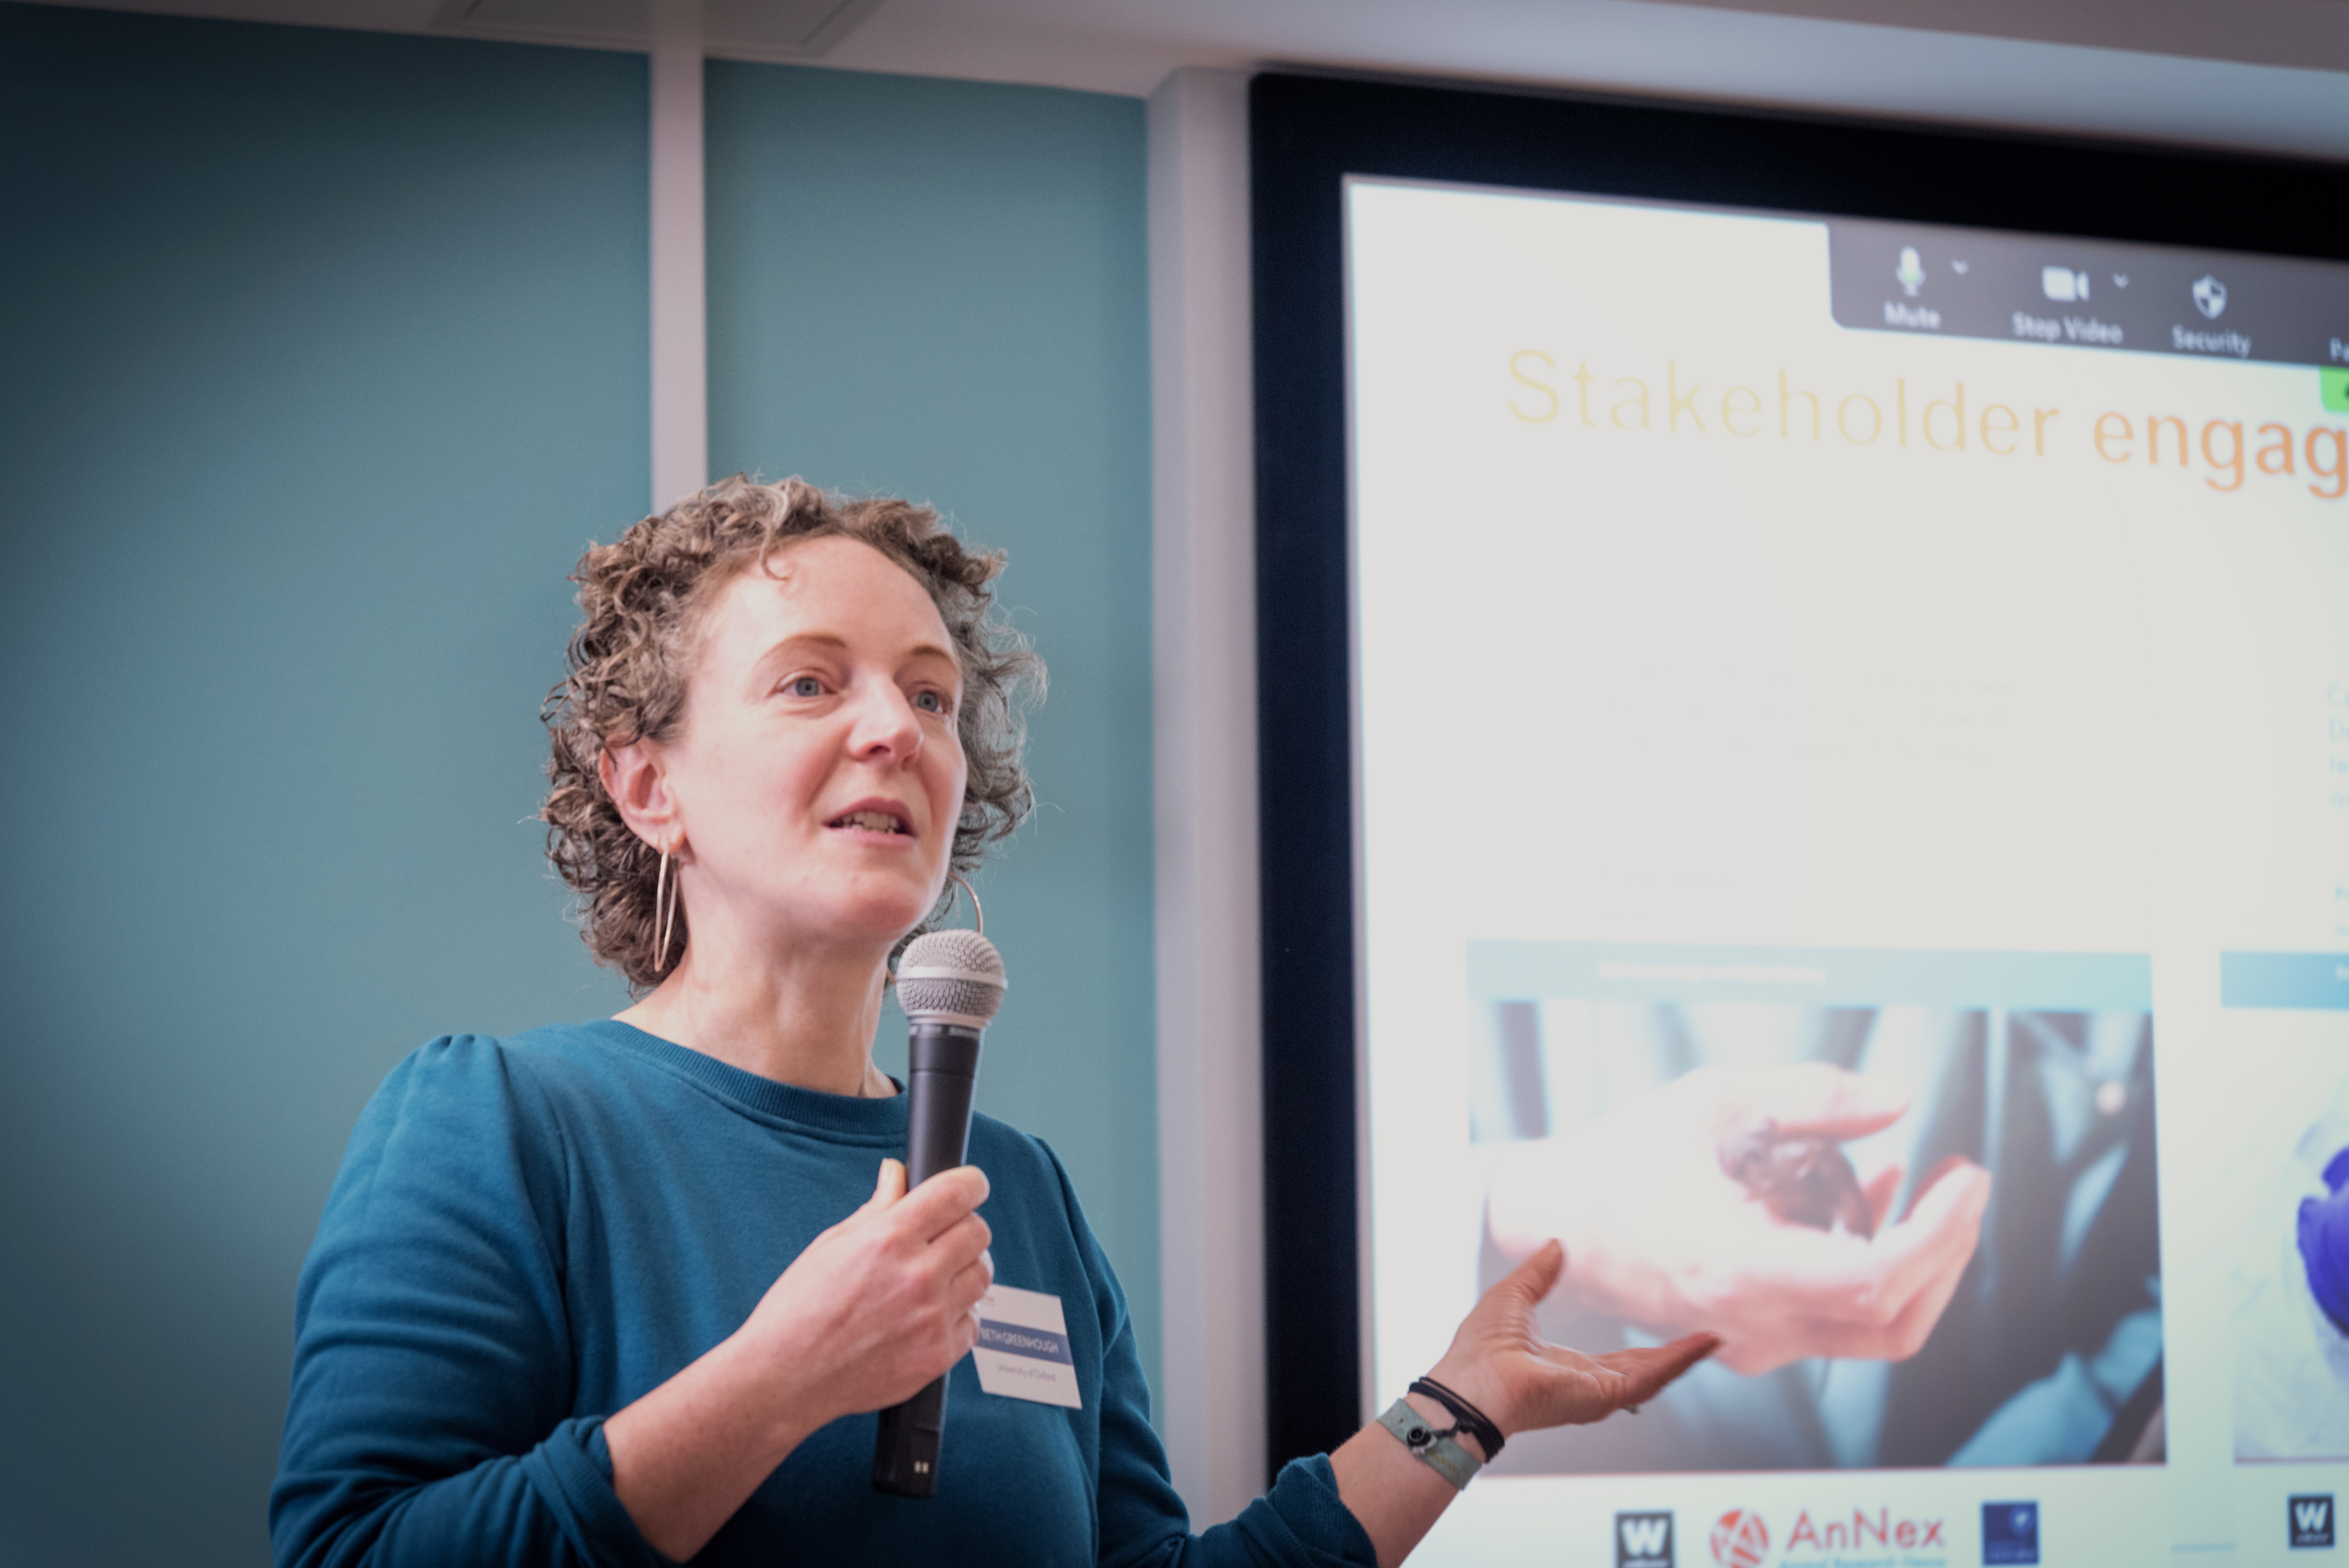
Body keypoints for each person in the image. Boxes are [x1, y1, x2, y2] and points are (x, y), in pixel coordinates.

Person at [270, 477, 1715, 1568]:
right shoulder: (502, 1124)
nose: (897, 729)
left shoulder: (1012, 1188)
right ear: (651, 790)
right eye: (809, 682)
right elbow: (354, 1553)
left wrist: (1454, 1414)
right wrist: (780, 1380)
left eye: (932, 696)